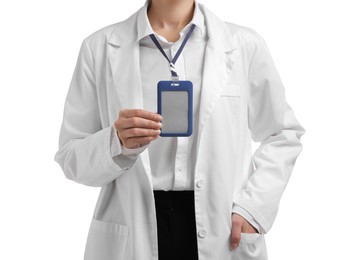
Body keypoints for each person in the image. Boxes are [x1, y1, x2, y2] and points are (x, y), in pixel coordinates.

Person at [54, 0, 305, 259]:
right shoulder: (99, 48)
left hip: (222, 225)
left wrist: (253, 208)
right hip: (134, 226)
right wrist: (115, 142)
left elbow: (283, 134)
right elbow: (71, 157)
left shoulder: (244, 44)